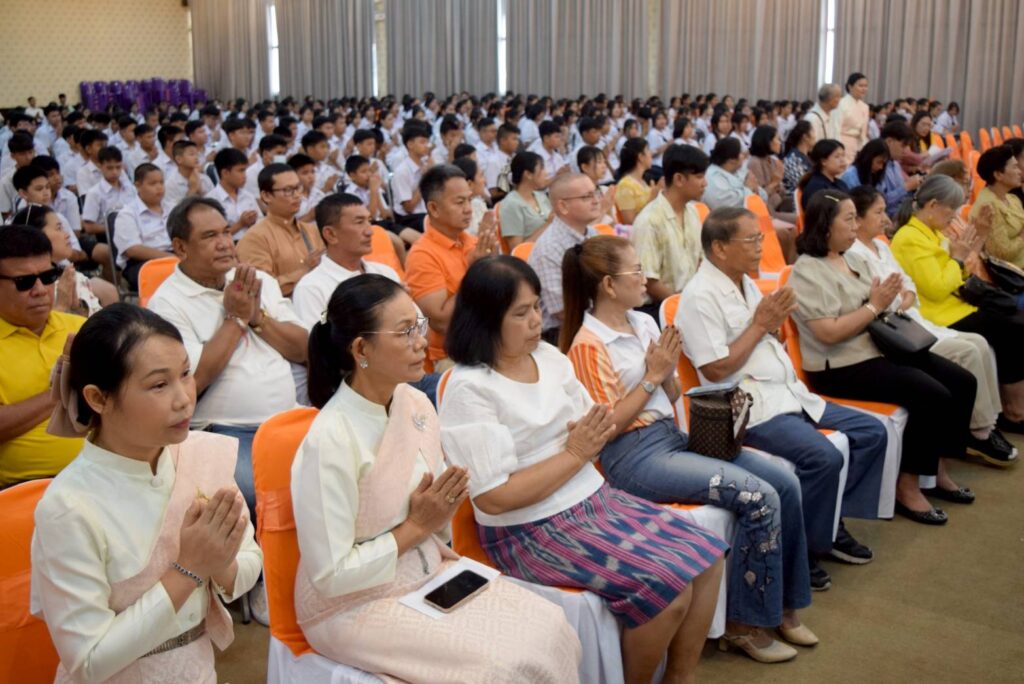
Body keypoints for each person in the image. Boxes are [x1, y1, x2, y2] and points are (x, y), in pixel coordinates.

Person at [439, 256, 726, 683]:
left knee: (709, 556)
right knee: (667, 592)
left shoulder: (549, 357)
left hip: (591, 498)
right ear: (484, 320)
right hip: (529, 528)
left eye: (537, 306)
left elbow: (593, 427)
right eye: (520, 313)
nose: (536, 321)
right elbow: (494, 498)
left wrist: (590, 439)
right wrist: (575, 453)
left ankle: (678, 679)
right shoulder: (471, 387)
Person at [294, 274, 581, 681]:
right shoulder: (330, 440)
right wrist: (417, 526)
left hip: (424, 568)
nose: (421, 342)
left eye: (419, 326)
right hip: (351, 603)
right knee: (501, 670)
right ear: (361, 349)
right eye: (405, 332)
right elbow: (331, 575)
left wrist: (442, 506)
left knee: (552, 626)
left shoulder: (414, 403)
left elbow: (435, 511)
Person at [562, 235, 814, 662]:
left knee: (784, 483)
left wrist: (663, 375)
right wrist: (651, 376)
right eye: (636, 271)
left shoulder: (642, 323)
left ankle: (784, 608)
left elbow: (674, 392)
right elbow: (607, 429)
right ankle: (742, 626)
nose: (645, 278)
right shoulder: (588, 345)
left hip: (669, 438)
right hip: (632, 455)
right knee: (758, 496)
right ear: (608, 285)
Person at [30, 304, 262, 682]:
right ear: (98, 398)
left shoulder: (202, 456)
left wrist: (221, 562)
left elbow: (249, 559)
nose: (184, 398)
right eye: (158, 385)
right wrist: (190, 570)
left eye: (185, 374)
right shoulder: (68, 506)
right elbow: (88, 660)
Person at [679, 206, 887, 586]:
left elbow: (759, 336)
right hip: (749, 406)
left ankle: (829, 521)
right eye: (751, 240)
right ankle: (806, 551)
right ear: (720, 248)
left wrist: (770, 328)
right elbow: (716, 369)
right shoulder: (699, 295)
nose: (762, 246)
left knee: (872, 433)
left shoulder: (744, 281)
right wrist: (761, 326)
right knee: (823, 457)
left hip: (788, 391)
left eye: (760, 238)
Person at [791, 190, 977, 524]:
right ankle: (907, 486)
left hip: (877, 348)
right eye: (849, 219)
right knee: (931, 394)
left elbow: (886, 300)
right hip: (840, 364)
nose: (855, 226)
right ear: (825, 225)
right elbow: (828, 333)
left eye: (855, 218)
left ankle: (936, 470)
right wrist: (874, 305)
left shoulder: (854, 258)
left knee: (962, 381)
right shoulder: (807, 271)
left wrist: (889, 300)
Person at [846, 186, 1014, 466]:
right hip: (895, 330)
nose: (886, 219)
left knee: (980, 343)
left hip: (910, 317)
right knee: (970, 349)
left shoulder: (882, 246)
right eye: (878, 212)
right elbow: (891, 297)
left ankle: (987, 423)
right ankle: (979, 430)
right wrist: (901, 298)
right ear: (858, 219)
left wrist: (904, 297)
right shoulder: (858, 252)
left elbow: (908, 285)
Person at [891, 174, 1024, 435]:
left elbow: (960, 275)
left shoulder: (931, 233)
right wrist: (958, 260)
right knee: (1013, 330)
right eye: (951, 209)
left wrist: (964, 254)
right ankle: (1013, 412)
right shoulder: (909, 238)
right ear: (932, 205)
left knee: (1017, 320)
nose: (953, 216)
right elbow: (937, 288)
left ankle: (1003, 412)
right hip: (938, 313)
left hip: (956, 305)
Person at [0, 225, 86, 486]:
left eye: (49, 276)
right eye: (24, 282)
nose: (40, 290)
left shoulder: (81, 328)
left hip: (102, 475)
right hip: (26, 488)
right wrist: (64, 387)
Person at [405, 165, 498, 371]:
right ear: (434, 208)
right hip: (454, 357)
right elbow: (441, 322)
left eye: (469, 200)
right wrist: (475, 272)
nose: (468, 209)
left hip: (490, 341)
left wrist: (495, 265)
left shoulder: (473, 242)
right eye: (459, 202)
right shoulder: (422, 255)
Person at [292, 193, 402, 328]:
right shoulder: (312, 289)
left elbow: (420, 324)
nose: (370, 231)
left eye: (369, 221)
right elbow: (318, 341)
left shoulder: (385, 273)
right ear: (331, 234)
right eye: (359, 222)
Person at [631, 144, 708, 310]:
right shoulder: (649, 221)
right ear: (679, 179)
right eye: (699, 177)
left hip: (687, 301)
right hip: (659, 308)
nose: (705, 183)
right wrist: (682, 306)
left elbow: (700, 260)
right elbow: (649, 281)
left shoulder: (692, 212)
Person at [528, 173, 603, 344]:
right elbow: (562, 311)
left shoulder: (592, 234)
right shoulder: (548, 248)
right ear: (563, 206)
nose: (596, 200)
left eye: (596, 192)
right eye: (587, 196)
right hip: (562, 333)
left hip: (595, 320)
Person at [235, 163, 326, 297]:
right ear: (266, 196)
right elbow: (261, 290)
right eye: (288, 190)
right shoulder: (254, 238)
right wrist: (305, 269)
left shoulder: (312, 231)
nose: (297, 195)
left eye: (298, 188)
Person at [12, 205, 113, 315]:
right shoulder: (27, 288)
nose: (67, 235)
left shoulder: (72, 277)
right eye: (59, 228)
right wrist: (61, 306)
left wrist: (77, 307)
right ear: (35, 236)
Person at [112, 163, 174, 289]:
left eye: (161, 182)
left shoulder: (172, 208)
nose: (159, 187)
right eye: (153, 183)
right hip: (142, 262)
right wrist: (171, 258)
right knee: (175, 277)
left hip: (175, 256)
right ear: (138, 186)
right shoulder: (127, 214)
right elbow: (133, 250)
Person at [971, 145, 1024, 269]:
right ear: (998, 175)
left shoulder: (1012, 199)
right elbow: (1001, 254)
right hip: (1014, 273)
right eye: (1015, 167)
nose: (1020, 172)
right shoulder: (988, 207)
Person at [495, 152, 553, 249]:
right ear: (528, 174)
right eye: (542, 168)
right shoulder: (511, 204)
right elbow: (517, 249)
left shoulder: (541, 196)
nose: (546, 173)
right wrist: (548, 224)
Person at [207, 148, 262, 242]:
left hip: (253, 243)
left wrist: (253, 223)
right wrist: (240, 224)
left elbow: (261, 224)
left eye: (245, 170)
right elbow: (212, 237)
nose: (245, 175)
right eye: (240, 171)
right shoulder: (211, 200)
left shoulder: (248, 196)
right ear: (225, 173)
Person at [80, 146, 136, 235]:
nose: (115, 172)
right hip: (109, 236)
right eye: (109, 168)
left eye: (118, 167)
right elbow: (89, 227)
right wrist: (116, 227)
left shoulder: (130, 188)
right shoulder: (94, 193)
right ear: (100, 166)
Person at [391, 122, 432, 237]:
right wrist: (424, 179)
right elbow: (409, 207)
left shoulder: (425, 164)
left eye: (427, 142)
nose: (427, 146)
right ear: (410, 144)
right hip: (408, 219)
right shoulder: (402, 171)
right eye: (422, 142)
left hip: (425, 214)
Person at [878, 120, 921, 216]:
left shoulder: (895, 164)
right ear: (889, 141)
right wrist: (906, 187)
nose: (905, 151)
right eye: (903, 146)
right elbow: (880, 202)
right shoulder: (878, 166)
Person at [614, 138, 658, 224]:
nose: (651, 154)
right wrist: (652, 198)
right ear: (640, 157)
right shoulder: (625, 185)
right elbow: (630, 222)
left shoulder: (645, 181)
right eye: (648, 150)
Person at [797, 140, 849, 210]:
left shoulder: (841, 184)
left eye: (843, 155)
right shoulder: (816, 187)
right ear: (823, 161)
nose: (842, 160)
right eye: (837, 156)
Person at [164, 140, 214, 206]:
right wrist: (192, 190)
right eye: (192, 154)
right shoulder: (170, 185)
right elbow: (173, 211)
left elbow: (215, 204)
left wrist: (201, 192)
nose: (196, 157)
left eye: (197, 154)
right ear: (179, 159)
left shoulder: (205, 179)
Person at [782, 121, 814, 211]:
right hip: (797, 203)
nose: (815, 136)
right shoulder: (793, 159)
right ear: (805, 137)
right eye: (813, 131)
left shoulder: (807, 157)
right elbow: (802, 184)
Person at [837, 74, 870, 163]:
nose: (864, 89)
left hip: (858, 145)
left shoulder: (865, 107)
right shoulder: (841, 104)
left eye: (866, 86)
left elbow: (863, 132)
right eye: (860, 86)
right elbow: (836, 128)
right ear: (850, 86)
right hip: (842, 142)